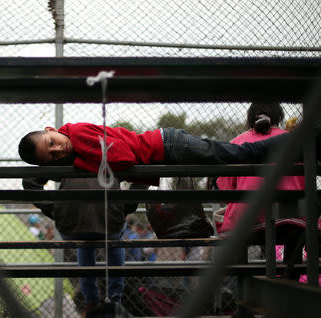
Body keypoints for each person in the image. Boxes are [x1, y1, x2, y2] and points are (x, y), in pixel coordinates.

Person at [18, 122, 319, 185]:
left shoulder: (80, 137)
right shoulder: (77, 142)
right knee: (239, 157)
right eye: (53, 156)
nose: (59, 150)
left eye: (52, 142)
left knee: (241, 155)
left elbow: (124, 158)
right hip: (169, 147)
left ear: (51, 128)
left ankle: (304, 139)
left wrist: (82, 162)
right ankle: (302, 148)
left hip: (170, 145)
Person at [216, 102, 320, 277]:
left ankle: (246, 284)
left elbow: (225, 187)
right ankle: (290, 281)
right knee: (295, 222)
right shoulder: (292, 140)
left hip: (246, 221)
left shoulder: (238, 142)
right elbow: (305, 185)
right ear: (278, 117)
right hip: (288, 220)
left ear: (250, 118)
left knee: (239, 215)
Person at [23, 177, 138, 316]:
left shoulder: (63, 156)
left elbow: (30, 181)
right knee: (114, 242)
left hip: (72, 225)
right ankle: (114, 300)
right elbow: (142, 176)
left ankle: (91, 301)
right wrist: (125, 207)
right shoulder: (111, 156)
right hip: (109, 222)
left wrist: (55, 211)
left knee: (84, 244)